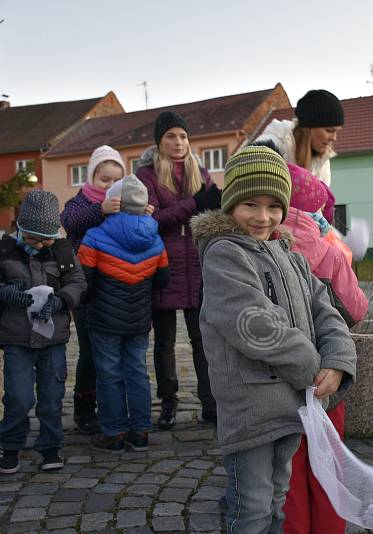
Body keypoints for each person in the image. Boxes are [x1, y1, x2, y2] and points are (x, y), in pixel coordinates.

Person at [191, 146, 357, 534]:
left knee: (277, 504)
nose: (262, 216)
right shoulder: (224, 255)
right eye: (250, 203)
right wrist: (312, 366)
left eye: (272, 205)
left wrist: (337, 359)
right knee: (249, 510)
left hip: (290, 407)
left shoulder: (291, 255)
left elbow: (325, 310)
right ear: (231, 203)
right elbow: (255, 325)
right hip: (250, 410)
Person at [276, 160, 366, 534]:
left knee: (289, 469)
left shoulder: (264, 247)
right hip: (328, 374)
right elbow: (356, 309)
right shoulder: (330, 251)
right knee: (328, 462)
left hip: (281, 378)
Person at [0, 190, 86, 474]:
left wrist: (61, 300)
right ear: (21, 230)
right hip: (17, 339)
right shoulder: (2, 251)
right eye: (33, 238)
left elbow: (77, 281)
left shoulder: (62, 251)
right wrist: (2, 294)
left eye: (45, 239)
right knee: (18, 396)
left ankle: (50, 446)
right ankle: (11, 446)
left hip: (52, 338)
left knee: (51, 396)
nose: (39, 245)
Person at [136, 111, 221, 428]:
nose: (178, 142)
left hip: (198, 267)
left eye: (183, 136)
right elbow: (152, 220)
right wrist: (194, 203)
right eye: (171, 136)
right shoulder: (147, 175)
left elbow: (211, 212)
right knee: (165, 342)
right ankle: (168, 404)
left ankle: (210, 403)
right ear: (160, 141)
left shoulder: (201, 172)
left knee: (202, 340)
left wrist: (216, 202)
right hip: (163, 265)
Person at [78, 175, 169, 452]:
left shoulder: (94, 236)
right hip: (140, 318)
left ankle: (113, 432)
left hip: (104, 319)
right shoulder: (156, 238)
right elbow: (163, 280)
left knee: (109, 375)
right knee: (138, 372)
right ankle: (140, 431)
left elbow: (84, 282)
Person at [60, 145, 126, 434]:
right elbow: (69, 223)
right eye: (104, 179)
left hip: (114, 288)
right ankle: (84, 408)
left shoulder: (125, 202)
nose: (110, 186)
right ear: (91, 177)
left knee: (111, 353)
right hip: (84, 288)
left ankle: (111, 406)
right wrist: (99, 209)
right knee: (89, 351)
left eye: (116, 180)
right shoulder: (80, 201)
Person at [256, 89, 344, 188]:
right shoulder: (271, 145)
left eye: (337, 131)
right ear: (309, 127)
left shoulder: (323, 161)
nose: (334, 138)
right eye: (329, 130)